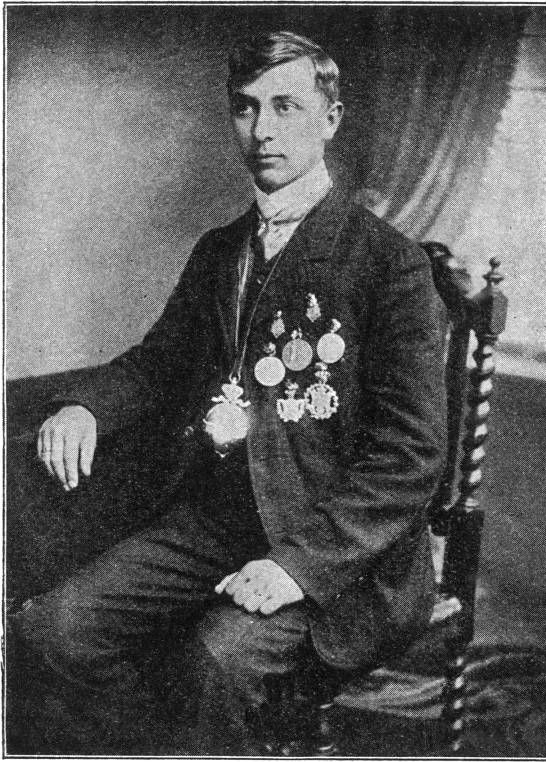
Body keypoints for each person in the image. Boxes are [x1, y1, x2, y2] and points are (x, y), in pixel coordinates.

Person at [8, 30, 447, 755]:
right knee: (54, 631)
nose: (263, 129)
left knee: (213, 661)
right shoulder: (220, 250)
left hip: (337, 550)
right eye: (246, 108)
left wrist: (296, 566)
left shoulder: (387, 264)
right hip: (215, 524)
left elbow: (411, 456)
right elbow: (158, 364)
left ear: (331, 118)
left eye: (285, 106)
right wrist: (85, 406)